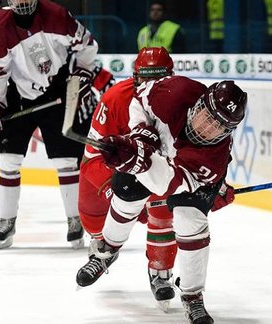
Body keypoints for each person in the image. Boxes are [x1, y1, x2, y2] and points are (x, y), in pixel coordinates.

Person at [77, 77, 246, 324]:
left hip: (187, 176)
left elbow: (168, 186)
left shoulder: (213, 158)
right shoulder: (174, 91)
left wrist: (137, 160)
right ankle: (107, 250)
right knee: (125, 187)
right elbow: (139, 101)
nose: (207, 129)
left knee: (190, 219)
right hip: (161, 156)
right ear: (199, 105)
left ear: (228, 132)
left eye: (218, 127)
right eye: (208, 118)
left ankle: (192, 296)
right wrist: (142, 136)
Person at [0, 0, 105, 250]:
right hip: (17, 93)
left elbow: (87, 45)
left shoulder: (56, 15)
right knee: (8, 159)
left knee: (66, 160)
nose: (24, 2)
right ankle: (7, 220)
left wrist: (82, 73)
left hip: (56, 88)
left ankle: (74, 220)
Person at [76, 47, 180, 311]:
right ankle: (102, 251)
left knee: (161, 208)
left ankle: (160, 270)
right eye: (146, 78)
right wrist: (115, 192)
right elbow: (90, 160)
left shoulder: (182, 102)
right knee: (91, 208)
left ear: (170, 77)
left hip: (158, 173)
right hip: (116, 172)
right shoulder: (114, 100)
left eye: (158, 78)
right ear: (135, 78)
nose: (151, 85)